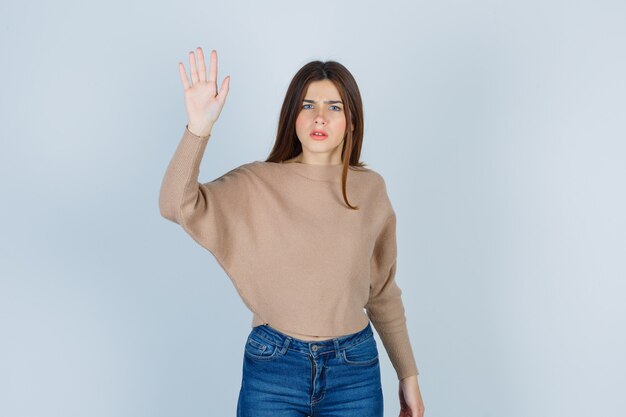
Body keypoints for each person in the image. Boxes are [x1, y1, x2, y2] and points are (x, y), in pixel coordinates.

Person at [159, 47, 425, 417]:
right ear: (292, 116)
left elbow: (381, 292)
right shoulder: (257, 182)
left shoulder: (371, 189)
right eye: (307, 105)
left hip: (355, 371)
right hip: (274, 368)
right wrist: (198, 130)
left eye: (334, 107)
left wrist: (407, 375)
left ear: (351, 121)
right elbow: (176, 205)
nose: (319, 116)